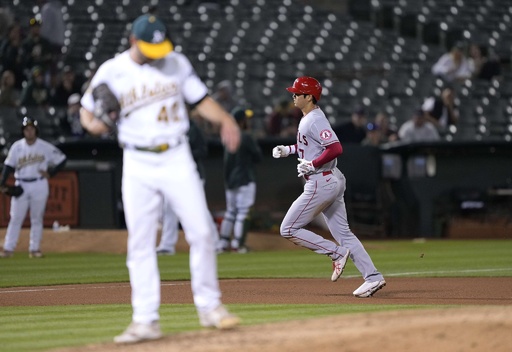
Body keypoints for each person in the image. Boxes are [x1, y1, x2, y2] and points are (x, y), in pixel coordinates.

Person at [79, 14, 241, 344]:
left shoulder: (176, 63)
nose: (157, 52)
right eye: (150, 46)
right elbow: (87, 113)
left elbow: (201, 101)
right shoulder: (112, 70)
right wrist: (95, 125)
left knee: (202, 230)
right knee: (140, 242)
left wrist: (227, 121)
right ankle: (145, 320)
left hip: (176, 155)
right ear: (133, 41)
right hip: (137, 160)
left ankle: (210, 307)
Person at [272, 76, 386, 298]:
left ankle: (335, 253)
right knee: (344, 233)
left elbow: (335, 148)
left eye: (297, 93)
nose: (293, 96)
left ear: (309, 97)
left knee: (287, 229)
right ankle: (373, 278)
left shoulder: (314, 119)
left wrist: (312, 164)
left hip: (320, 181)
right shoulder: (310, 118)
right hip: (331, 178)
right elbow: (309, 145)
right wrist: (288, 150)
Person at [0, 117, 67, 258]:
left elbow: (62, 159)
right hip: (21, 183)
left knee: (37, 218)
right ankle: (8, 248)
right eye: (26, 129)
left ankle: (34, 248)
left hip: (39, 183)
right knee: (15, 218)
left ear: (36, 131)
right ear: (23, 131)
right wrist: (2, 182)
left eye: (31, 129)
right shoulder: (17, 147)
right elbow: (8, 166)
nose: (29, 131)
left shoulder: (44, 146)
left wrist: (51, 173)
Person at [156, 118, 208, 255]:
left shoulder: (192, 127)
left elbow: (203, 150)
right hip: (172, 176)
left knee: (199, 211)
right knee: (168, 210)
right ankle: (167, 245)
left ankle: (212, 243)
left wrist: (184, 155)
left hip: (193, 175)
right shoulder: (167, 128)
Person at [218, 107, 263, 253]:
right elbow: (258, 157)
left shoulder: (227, 136)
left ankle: (223, 243)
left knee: (230, 212)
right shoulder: (245, 136)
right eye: (246, 119)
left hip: (230, 180)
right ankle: (238, 244)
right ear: (242, 120)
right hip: (245, 177)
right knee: (243, 212)